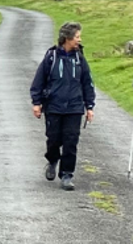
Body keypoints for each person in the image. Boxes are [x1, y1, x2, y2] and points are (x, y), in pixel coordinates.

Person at [29, 21, 95, 189]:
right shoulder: (51, 57)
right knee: (53, 140)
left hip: (74, 107)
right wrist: (37, 103)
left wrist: (90, 106)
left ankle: (67, 175)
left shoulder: (80, 59)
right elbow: (39, 81)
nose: (79, 40)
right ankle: (52, 160)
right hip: (53, 106)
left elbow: (87, 83)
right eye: (77, 37)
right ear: (67, 38)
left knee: (71, 141)